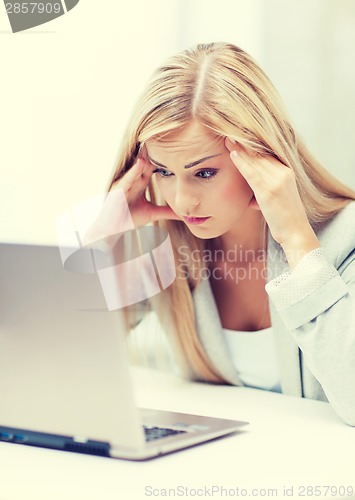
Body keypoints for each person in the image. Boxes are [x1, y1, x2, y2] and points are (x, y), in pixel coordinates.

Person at [85, 42, 355, 426]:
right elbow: (57, 360)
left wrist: (297, 239)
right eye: (163, 171)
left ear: (261, 155)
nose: (182, 201)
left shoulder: (347, 241)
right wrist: (104, 236)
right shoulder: (169, 249)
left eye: (204, 173)